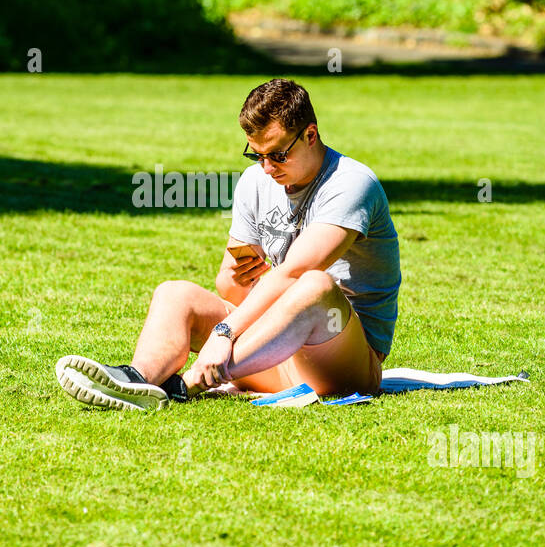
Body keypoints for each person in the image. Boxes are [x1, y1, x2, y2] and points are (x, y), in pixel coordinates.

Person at [55, 79, 401, 411]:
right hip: (271, 355)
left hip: (343, 364)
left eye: (277, 155)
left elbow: (298, 273)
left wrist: (225, 332)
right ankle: (138, 380)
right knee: (175, 292)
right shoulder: (256, 181)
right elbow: (228, 284)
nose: (267, 168)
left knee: (314, 284)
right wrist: (242, 277)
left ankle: (184, 385)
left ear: (310, 135)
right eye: (257, 155)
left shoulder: (351, 183)